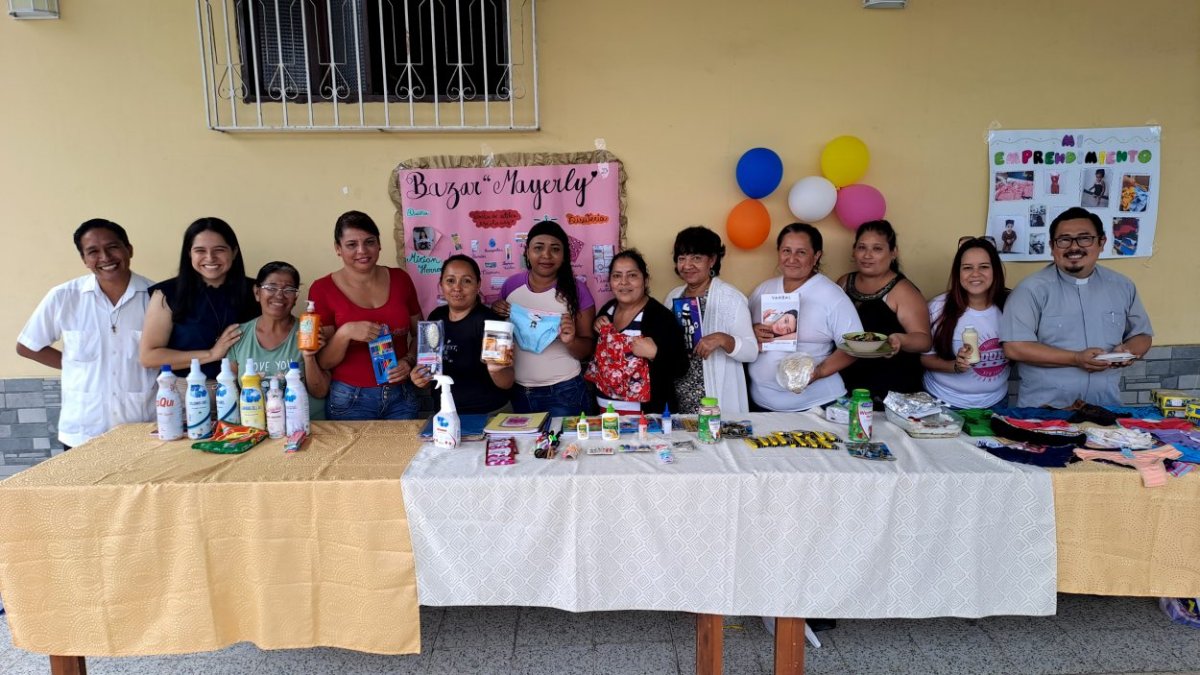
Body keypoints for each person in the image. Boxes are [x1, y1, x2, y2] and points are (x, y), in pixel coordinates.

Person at [17, 219, 156, 449]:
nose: (105, 257)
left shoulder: (156, 297)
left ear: (128, 249)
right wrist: (74, 365)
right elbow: (28, 346)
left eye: (112, 247)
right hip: (82, 432)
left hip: (143, 429)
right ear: (84, 259)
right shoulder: (64, 297)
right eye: (93, 251)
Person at [1001, 207, 1153, 408]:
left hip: (1106, 410)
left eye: (1084, 238)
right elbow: (1014, 347)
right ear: (1052, 247)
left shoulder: (1122, 286)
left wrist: (1127, 351)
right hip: (1045, 415)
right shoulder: (1031, 290)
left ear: (1102, 242)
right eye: (1064, 240)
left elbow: (1143, 336)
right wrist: (1075, 358)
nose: (1074, 247)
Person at [309, 211, 424, 420]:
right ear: (338, 248)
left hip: (402, 395)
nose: (362, 250)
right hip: (350, 399)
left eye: (369, 242)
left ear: (379, 244)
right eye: (351, 244)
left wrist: (408, 361)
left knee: (407, 454)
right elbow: (324, 362)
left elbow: (422, 334)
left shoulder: (401, 279)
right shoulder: (322, 289)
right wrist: (345, 333)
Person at [748, 223, 862, 412]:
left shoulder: (830, 295)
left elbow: (856, 346)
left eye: (801, 252)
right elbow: (741, 334)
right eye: (786, 251)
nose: (791, 259)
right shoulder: (763, 290)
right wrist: (752, 332)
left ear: (816, 256)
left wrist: (819, 372)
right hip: (761, 406)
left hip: (816, 406)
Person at [491, 222, 595, 416]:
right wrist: (495, 310)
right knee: (527, 447)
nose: (546, 255)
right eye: (538, 248)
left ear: (564, 256)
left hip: (565, 392)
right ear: (527, 252)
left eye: (555, 249)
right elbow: (501, 334)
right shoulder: (510, 286)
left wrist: (571, 340)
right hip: (519, 392)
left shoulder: (577, 290)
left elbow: (587, 351)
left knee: (566, 446)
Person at [140, 218, 258, 380]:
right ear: (189, 253)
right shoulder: (167, 293)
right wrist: (211, 354)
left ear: (234, 252)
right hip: (186, 393)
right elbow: (149, 357)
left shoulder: (256, 291)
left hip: (246, 393)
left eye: (219, 250)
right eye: (200, 250)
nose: (210, 258)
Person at [664, 226, 757, 414]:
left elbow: (751, 352)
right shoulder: (673, 296)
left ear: (712, 260)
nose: (687, 265)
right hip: (679, 395)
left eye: (696, 258)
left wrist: (723, 339)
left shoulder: (730, 298)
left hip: (715, 398)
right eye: (682, 258)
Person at [837, 220, 932, 400]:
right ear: (853, 250)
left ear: (893, 252)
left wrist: (900, 340)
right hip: (847, 384)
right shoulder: (843, 283)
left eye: (877, 249)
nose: (867, 255)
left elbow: (924, 340)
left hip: (890, 389)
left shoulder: (903, 291)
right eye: (862, 247)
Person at [411, 255, 514, 415]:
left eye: (466, 281)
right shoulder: (435, 317)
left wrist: (496, 370)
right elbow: (430, 372)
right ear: (441, 285)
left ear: (478, 285)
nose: (457, 288)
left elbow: (507, 382)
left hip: (489, 414)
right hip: (445, 414)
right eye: (450, 280)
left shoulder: (492, 323)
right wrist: (421, 379)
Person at [227, 262, 330, 420]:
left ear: (295, 297)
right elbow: (230, 391)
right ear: (257, 292)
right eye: (271, 287)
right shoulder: (238, 336)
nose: (280, 295)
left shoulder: (309, 331)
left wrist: (309, 357)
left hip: (307, 428)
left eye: (289, 289)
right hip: (257, 429)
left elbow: (320, 392)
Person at [589, 249, 688, 414]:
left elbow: (681, 367)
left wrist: (656, 353)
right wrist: (595, 326)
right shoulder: (607, 310)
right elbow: (599, 355)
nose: (624, 282)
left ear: (645, 280)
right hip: (604, 410)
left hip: (645, 414)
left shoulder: (660, 317)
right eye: (617, 276)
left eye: (632, 275)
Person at [921, 238, 1010, 409]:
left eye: (984, 267)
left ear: (995, 270)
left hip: (997, 403)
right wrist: (955, 366)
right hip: (945, 403)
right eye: (967, 268)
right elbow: (925, 359)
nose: (975, 274)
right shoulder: (938, 308)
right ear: (958, 273)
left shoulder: (1011, 305)